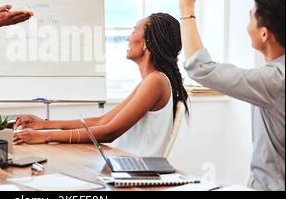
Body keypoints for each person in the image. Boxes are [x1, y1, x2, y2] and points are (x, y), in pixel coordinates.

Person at [177, 0, 285, 191]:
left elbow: (200, 68)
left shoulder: (274, 80)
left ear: (264, 33)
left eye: (249, 18)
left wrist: (186, 6)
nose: (247, 25)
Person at [14, 13, 189, 157]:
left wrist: (45, 137)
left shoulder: (156, 81)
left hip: (136, 173)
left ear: (147, 43)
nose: (128, 37)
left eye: (134, 31)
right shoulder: (151, 81)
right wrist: (44, 125)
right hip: (123, 163)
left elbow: (109, 133)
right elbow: (103, 121)